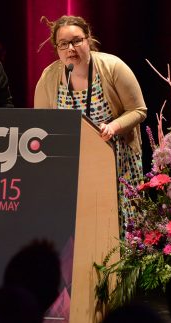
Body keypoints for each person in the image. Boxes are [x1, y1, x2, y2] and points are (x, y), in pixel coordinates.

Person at [34, 15, 147, 232]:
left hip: (116, 161)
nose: (71, 49)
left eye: (77, 41)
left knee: (118, 229)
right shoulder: (49, 77)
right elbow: (42, 125)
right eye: (64, 44)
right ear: (56, 47)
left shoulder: (112, 67)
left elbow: (139, 110)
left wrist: (113, 127)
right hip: (72, 167)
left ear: (88, 39)